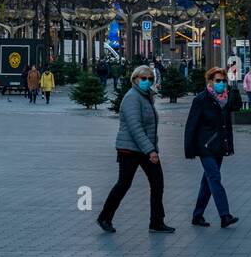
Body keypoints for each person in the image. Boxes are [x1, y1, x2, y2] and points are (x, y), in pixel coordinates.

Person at [97, 65, 173, 233]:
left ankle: (157, 221)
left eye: (150, 79)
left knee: (157, 182)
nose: (147, 81)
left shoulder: (145, 97)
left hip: (144, 148)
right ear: (135, 79)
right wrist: (151, 151)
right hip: (130, 150)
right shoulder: (132, 97)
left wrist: (151, 148)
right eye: (143, 78)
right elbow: (135, 128)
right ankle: (104, 217)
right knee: (124, 184)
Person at [184, 66, 240, 228]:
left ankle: (197, 215)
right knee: (214, 178)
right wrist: (189, 149)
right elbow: (191, 125)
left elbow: (235, 109)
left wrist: (234, 89)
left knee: (207, 181)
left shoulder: (224, 99)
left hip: (219, 146)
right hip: (205, 146)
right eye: (218, 81)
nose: (221, 84)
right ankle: (225, 215)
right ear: (210, 81)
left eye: (223, 81)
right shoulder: (201, 100)